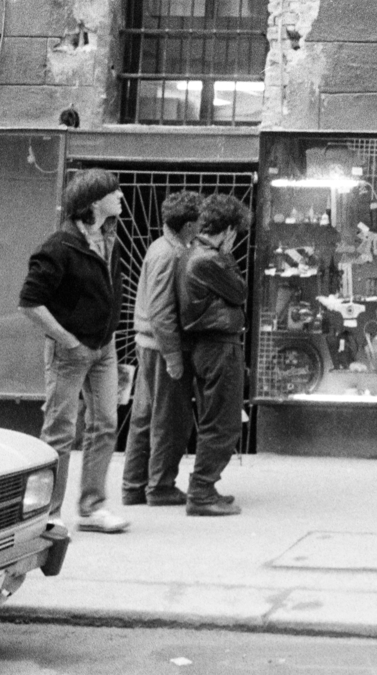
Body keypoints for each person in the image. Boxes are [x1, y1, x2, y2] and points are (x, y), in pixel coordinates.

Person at [18, 168, 131, 534]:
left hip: (104, 347)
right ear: (94, 202)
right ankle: (46, 514)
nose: (121, 197)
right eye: (114, 193)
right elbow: (30, 303)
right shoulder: (58, 246)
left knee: (105, 425)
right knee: (60, 432)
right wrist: (68, 340)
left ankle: (92, 508)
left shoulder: (110, 238)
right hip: (70, 351)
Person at [120, 189, 202, 507]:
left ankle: (133, 485)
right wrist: (173, 357)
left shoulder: (161, 247)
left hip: (149, 345)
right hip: (161, 347)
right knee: (170, 418)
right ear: (187, 226)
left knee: (144, 416)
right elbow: (161, 311)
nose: (200, 228)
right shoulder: (170, 254)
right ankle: (160, 486)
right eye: (197, 222)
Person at [177, 193, 251, 516]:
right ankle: (202, 491)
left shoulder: (194, 254)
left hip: (209, 347)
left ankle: (203, 486)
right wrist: (228, 253)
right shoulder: (210, 258)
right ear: (229, 230)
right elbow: (240, 290)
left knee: (215, 418)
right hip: (219, 347)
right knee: (223, 421)